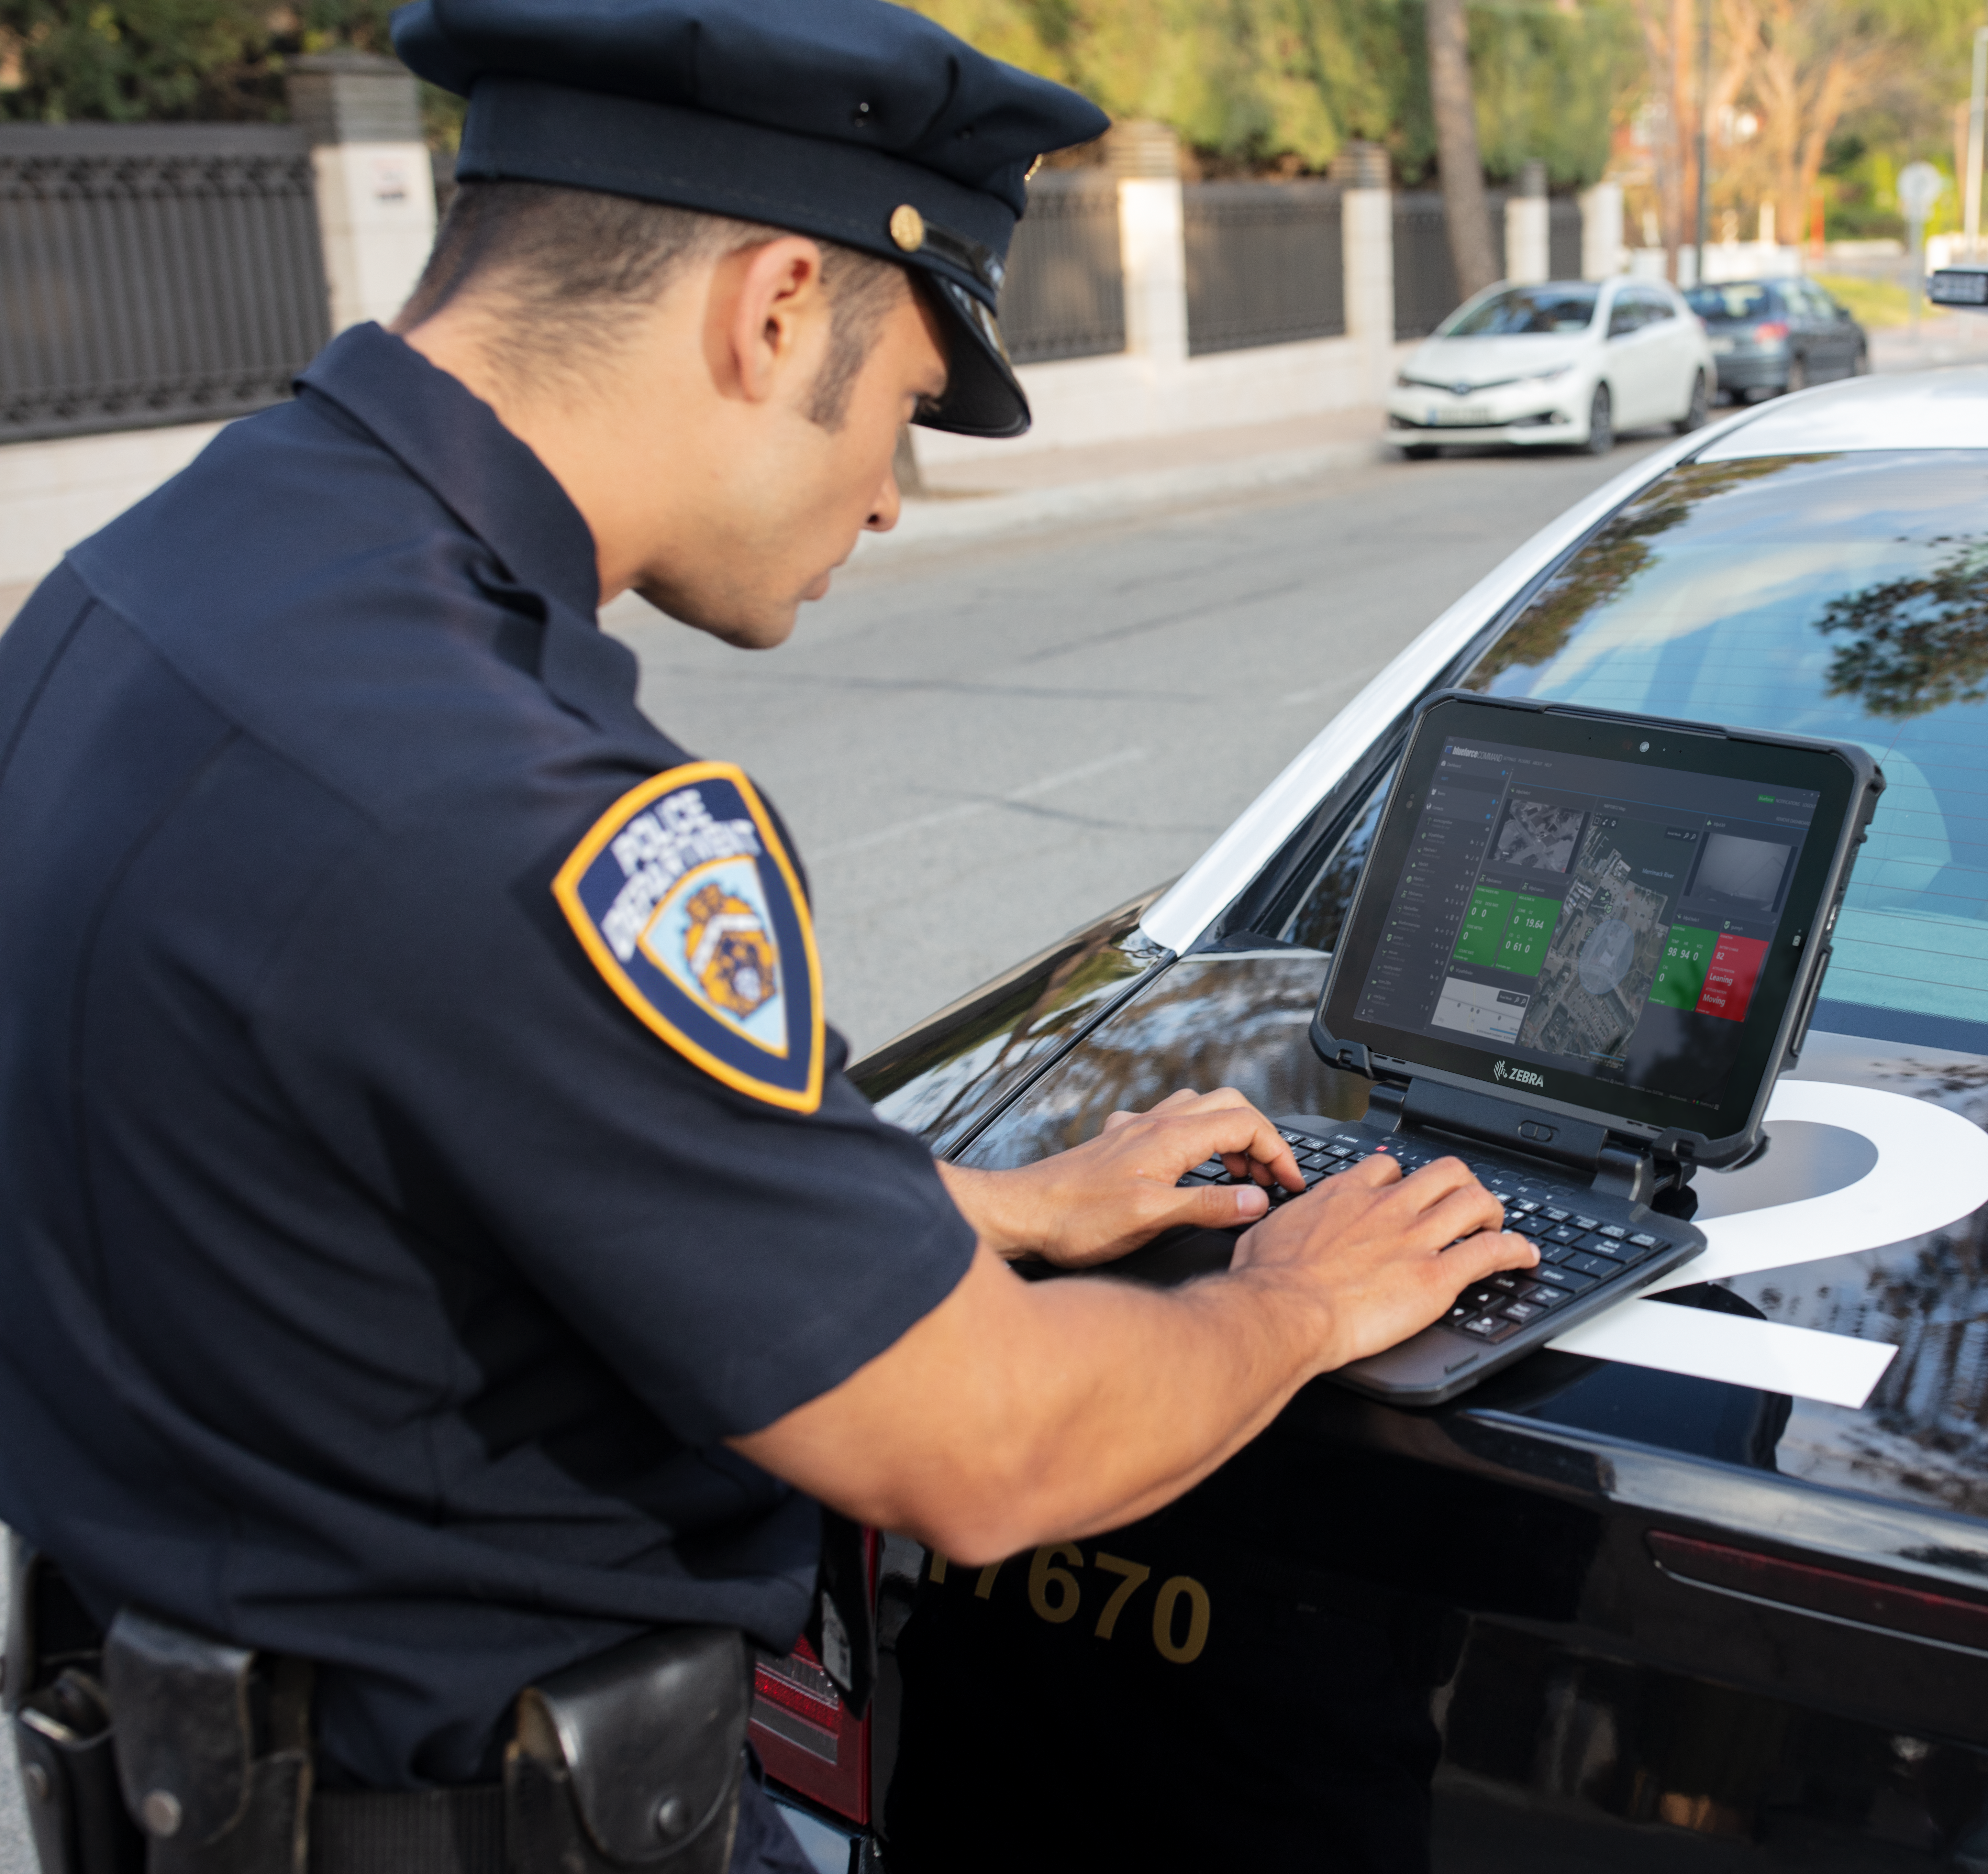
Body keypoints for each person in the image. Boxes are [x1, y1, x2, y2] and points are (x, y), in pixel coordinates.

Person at [0, 2, 1536, 1869]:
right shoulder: (511, 809)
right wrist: (1298, 1299)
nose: (890, 491)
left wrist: (979, 1209)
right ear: (779, 307)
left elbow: (387, 1169)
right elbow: (992, 1451)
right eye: (904, 404)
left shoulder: (143, 594)